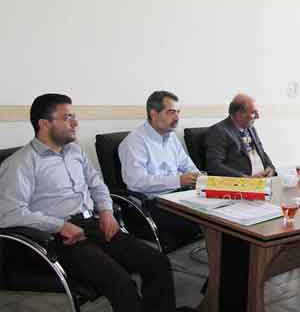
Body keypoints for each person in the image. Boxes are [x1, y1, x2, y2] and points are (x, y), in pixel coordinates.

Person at [0, 94, 182, 312]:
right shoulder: (21, 163)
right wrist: (60, 226)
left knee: (157, 263)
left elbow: (97, 185)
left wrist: (106, 210)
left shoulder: (75, 151)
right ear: (44, 124)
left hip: (94, 225)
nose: (75, 123)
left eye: (74, 116)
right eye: (67, 117)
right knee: (121, 283)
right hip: (58, 239)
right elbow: (9, 213)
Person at [119, 90, 201, 248]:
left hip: (179, 195)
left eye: (178, 112)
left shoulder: (171, 137)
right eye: (171, 112)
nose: (177, 118)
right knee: (206, 221)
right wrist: (178, 180)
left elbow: (188, 165)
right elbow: (136, 182)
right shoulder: (134, 142)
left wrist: (199, 177)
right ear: (154, 114)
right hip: (153, 203)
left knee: (220, 212)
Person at [205, 93, 275, 177]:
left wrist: (270, 167)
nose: (258, 116)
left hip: (264, 179)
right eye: (253, 112)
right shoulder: (219, 131)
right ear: (239, 114)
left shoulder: (250, 128)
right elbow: (214, 165)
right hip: (241, 182)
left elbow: (261, 153)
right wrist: (245, 178)